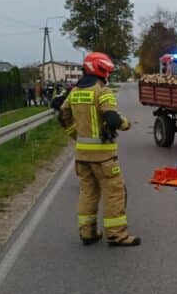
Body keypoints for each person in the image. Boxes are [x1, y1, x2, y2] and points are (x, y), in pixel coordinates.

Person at [59, 51, 140, 247]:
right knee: (114, 193)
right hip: (103, 158)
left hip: (82, 156)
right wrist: (125, 124)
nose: (108, 75)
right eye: (107, 71)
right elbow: (112, 119)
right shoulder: (103, 92)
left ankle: (88, 233)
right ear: (101, 71)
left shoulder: (75, 92)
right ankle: (117, 235)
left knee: (88, 193)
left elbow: (63, 116)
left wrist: (76, 135)